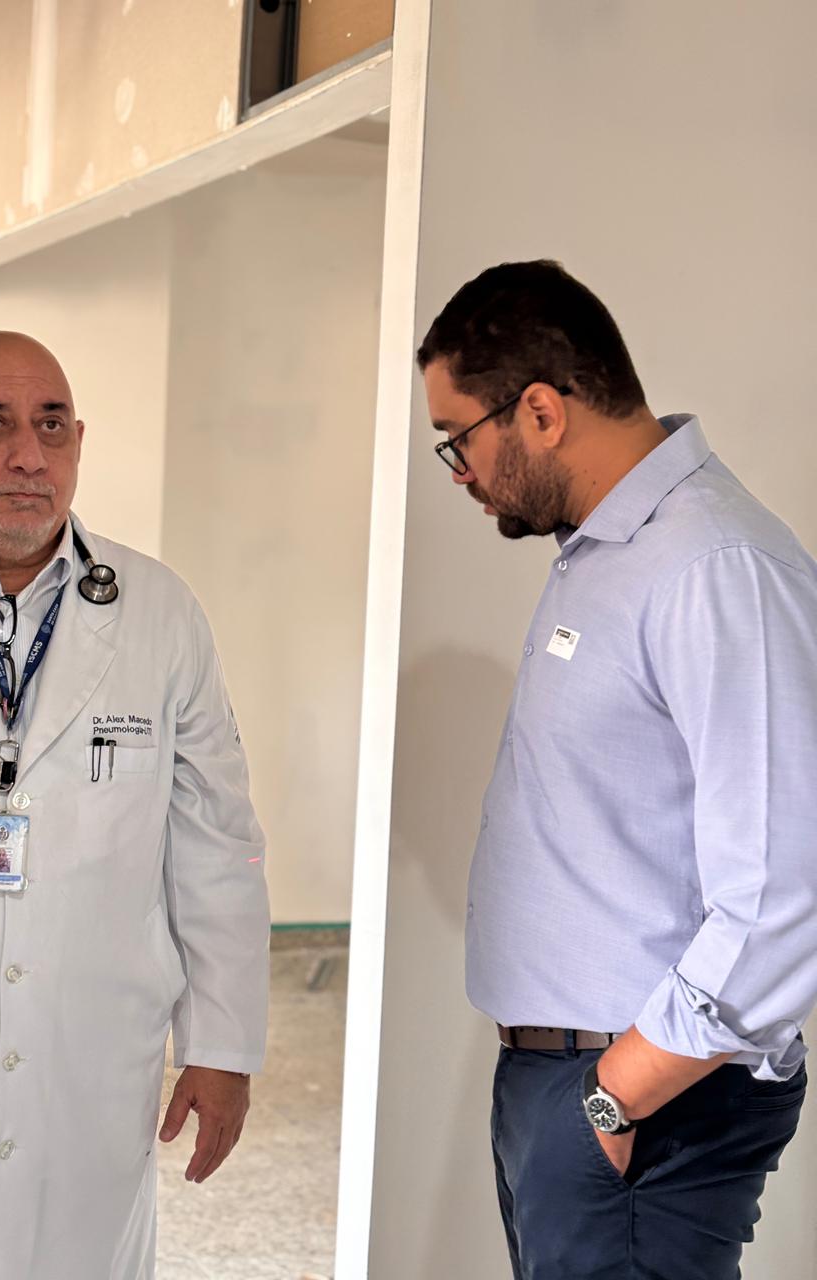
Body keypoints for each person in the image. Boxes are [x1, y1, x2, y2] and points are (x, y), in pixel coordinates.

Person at [418, 261, 817, 1279]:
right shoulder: (607, 554)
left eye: (458, 438)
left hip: (647, 1107)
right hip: (574, 1090)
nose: (458, 470)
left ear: (540, 411)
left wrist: (611, 1100)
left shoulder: (714, 566)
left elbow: (785, 889)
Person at [0, 331, 270, 1280]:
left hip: (88, 1052)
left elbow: (217, 840)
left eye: (51, 427)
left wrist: (223, 1044)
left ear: (79, 441)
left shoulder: (158, 611)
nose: (28, 456)